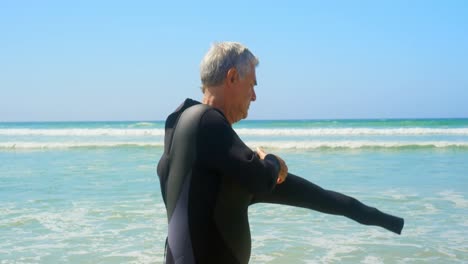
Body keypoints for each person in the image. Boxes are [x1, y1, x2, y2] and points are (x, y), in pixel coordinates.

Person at [157, 42, 404, 264]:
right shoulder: (207, 121)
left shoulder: (182, 125)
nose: (254, 96)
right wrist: (271, 160)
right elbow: (262, 179)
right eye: (252, 85)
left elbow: (308, 194)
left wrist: (380, 219)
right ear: (232, 78)